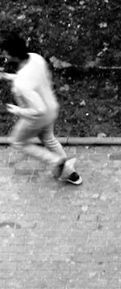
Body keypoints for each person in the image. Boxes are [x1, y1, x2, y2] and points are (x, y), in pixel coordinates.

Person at [1, 31, 80, 185]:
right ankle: (70, 173)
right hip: (51, 108)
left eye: (5, 53)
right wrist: (7, 76)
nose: (4, 55)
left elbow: (38, 110)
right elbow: (32, 79)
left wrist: (16, 110)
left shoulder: (22, 84)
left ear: (13, 54)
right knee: (49, 139)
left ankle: (56, 161)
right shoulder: (36, 58)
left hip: (37, 117)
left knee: (17, 142)